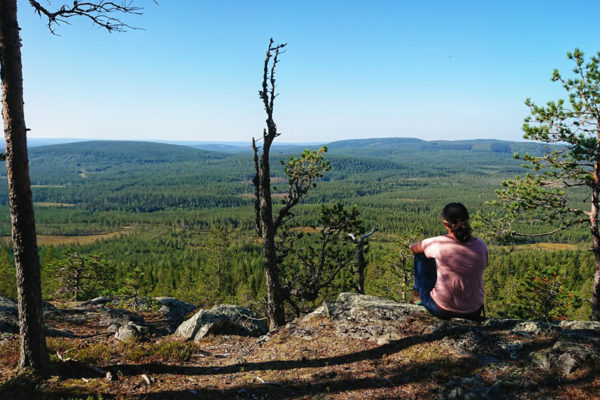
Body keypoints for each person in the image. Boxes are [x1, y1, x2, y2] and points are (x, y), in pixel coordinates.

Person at [409, 202, 488, 321]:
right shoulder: (481, 245)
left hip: (443, 309)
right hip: (474, 311)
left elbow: (413, 248)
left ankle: (417, 296)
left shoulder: (438, 243)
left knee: (421, 255)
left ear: (446, 224)